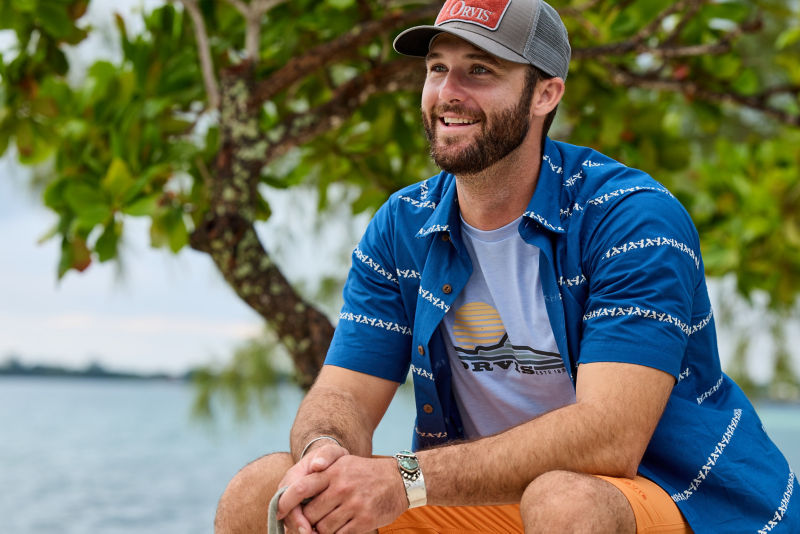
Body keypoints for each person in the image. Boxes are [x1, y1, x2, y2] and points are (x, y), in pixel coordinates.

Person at [215, 0, 799, 532]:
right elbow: (341, 394)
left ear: (546, 94)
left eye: (480, 71)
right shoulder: (401, 225)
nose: (448, 92)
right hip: (484, 496)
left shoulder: (632, 219)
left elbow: (611, 438)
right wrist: (325, 454)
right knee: (262, 491)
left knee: (563, 502)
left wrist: (406, 479)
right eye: (437, 68)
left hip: (672, 499)